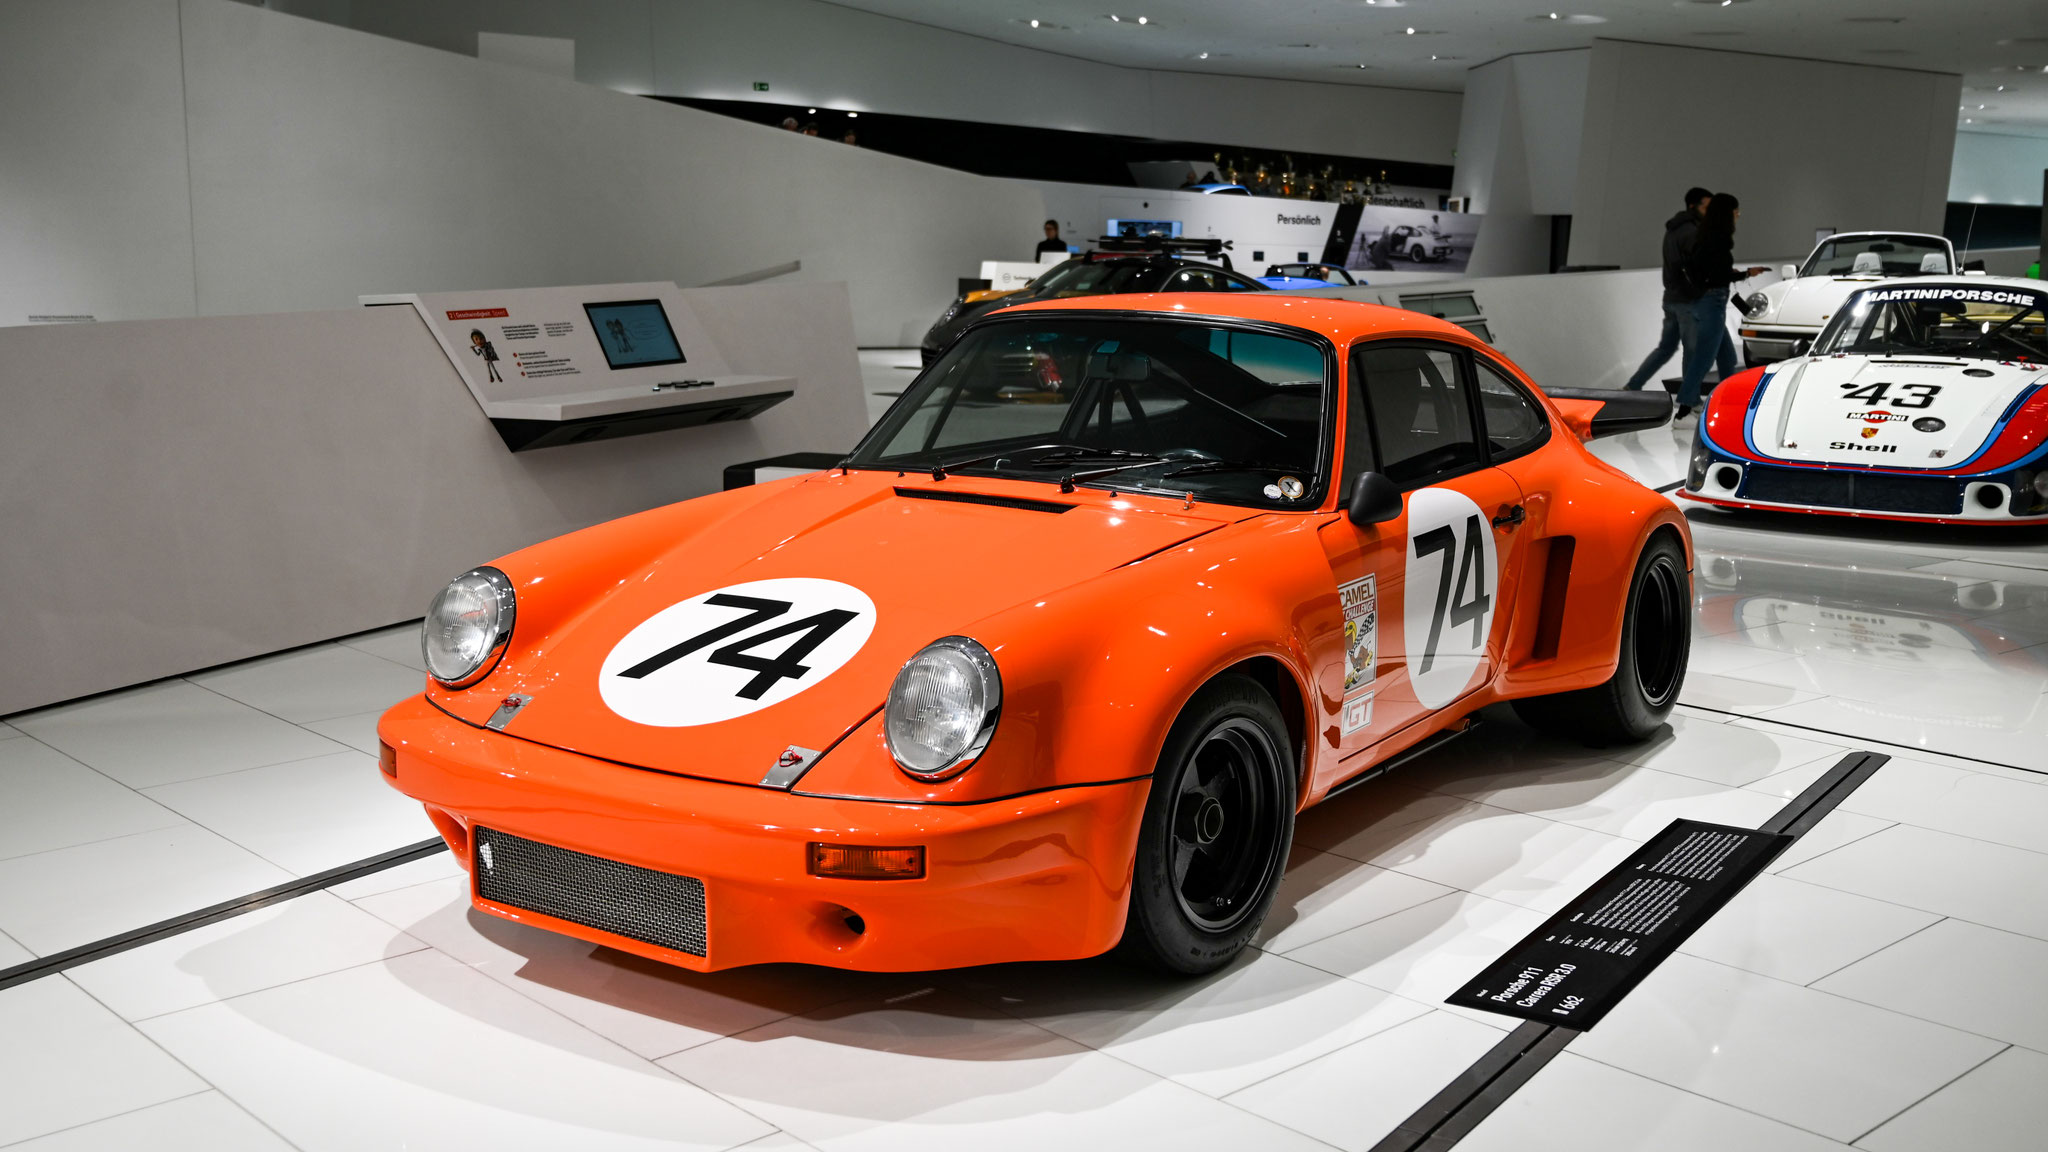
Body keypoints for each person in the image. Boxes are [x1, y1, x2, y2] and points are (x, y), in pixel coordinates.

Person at [1676, 193, 1771, 418]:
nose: (1738, 215)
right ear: (1726, 214)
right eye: (1735, 211)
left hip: (1707, 302)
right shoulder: (1717, 239)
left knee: (1727, 358)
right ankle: (1685, 409)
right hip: (1712, 303)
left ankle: (1728, 403)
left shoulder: (1706, 237)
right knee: (1704, 359)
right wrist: (1744, 274)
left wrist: (1736, 274)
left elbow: (1709, 272)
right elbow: (1716, 275)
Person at [1622, 187, 1713, 395]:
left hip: (1672, 297)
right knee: (1692, 351)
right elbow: (1695, 266)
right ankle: (1688, 399)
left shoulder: (1674, 229)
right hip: (1687, 300)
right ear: (1693, 206)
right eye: (1707, 207)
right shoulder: (1692, 231)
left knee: (1666, 348)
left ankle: (1633, 385)